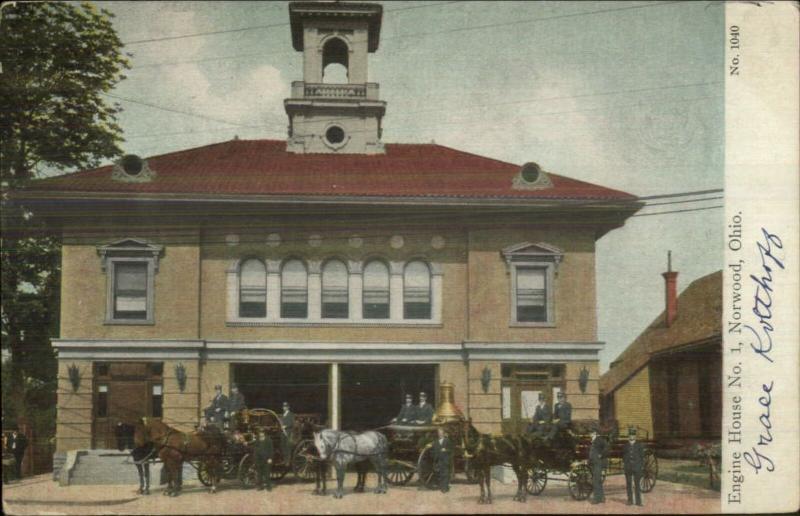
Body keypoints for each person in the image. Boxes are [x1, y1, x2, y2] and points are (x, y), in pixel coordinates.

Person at [623, 428, 645, 506]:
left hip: (637, 467)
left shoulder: (639, 445)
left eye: (633, 435)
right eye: (630, 435)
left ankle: (638, 501)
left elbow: (642, 457)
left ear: (635, 436)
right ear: (628, 436)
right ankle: (630, 500)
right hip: (628, 467)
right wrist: (625, 465)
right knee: (628, 484)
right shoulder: (625, 445)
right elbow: (623, 456)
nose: (632, 436)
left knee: (637, 485)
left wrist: (641, 467)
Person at [588, 427, 609, 504]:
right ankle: (602, 497)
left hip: (599, 463)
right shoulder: (593, 441)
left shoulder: (599, 440)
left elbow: (607, 448)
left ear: (595, 433)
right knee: (598, 480)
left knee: (596, 480)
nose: (590, 434)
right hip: (594, 463)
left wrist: (601, 455)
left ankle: (597, 499)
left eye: (591, 433)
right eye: (590, 433)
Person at [430, 427, 452, 493]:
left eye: (441, 433)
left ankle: (444, 488)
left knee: (445, 474)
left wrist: (446, 450)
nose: (440, 434)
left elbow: (451, 450)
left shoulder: (447, 441)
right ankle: (443, 486)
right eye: (439, 433)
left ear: (444, 433)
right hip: (438, 460)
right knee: (440, 474)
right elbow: (432, 449)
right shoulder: (435, 442)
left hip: (445, 460)